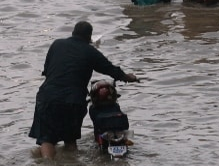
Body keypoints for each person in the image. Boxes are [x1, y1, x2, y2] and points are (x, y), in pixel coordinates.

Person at [29, 21, 138, 160]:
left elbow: (46, 71)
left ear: (73, 32)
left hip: (48, 97)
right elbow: (110, 69)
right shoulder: (90, 51)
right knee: (70, 140)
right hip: (73, 101)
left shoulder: (57, 44)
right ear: (89, 37)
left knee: (47, 139)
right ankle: (71, 162)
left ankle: (47, 163)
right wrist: (128, 77)